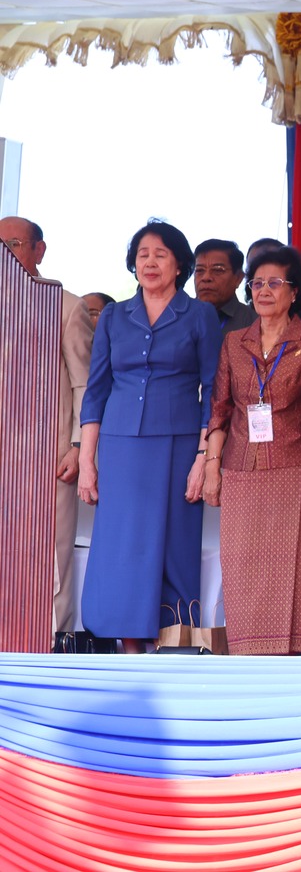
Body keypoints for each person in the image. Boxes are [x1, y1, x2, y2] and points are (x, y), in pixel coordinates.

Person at [78, 220, 221, 651]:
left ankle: (172, 644)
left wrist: (203, 456)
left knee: (173, 543)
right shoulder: (114, 316)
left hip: (179, 446)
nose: (150, 262)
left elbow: (214, 390)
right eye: (143, 254)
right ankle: (128, 647)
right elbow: (96, 390)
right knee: (122, 545)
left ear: (179, 265)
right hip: (120, 446)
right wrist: (87, 461)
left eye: (161, 254)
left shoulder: (199, 315)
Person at [202, 246, 301, 655]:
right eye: (257, 283)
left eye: (275, 283)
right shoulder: (233, 343)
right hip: (241, 469)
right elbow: (220, 409)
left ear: (294, 292)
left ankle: (292, 655)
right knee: (242, 564)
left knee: (295, 564)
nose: (264, 290)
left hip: (295, 467)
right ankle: (245, 653)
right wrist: (211, 467)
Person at [0, 216, 93, 637]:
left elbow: (85, 384)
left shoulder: (66, 306)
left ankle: (51, 644)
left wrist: (77, 446)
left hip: (48, 457)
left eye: (14, 245)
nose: (6, 254)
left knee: (48, 556)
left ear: (39, 251)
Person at [194, 239, 255, 332]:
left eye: (217, 270)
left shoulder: (254, 323)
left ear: (238, 278)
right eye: (199, 270)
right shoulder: (178, 316)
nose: (206, 278)